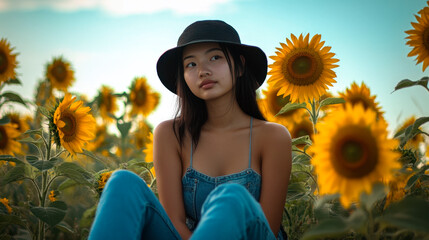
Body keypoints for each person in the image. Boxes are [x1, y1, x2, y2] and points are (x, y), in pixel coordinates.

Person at [89, 20, 292, 240]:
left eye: (215, 57)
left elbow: (268, 229)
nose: (203, 71)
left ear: (240, 65)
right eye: (191, 65)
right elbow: (174, 222)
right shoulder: (171, 134)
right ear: (183, 77)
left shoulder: (272, 136)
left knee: (231, 196)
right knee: (122, 182)